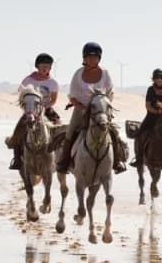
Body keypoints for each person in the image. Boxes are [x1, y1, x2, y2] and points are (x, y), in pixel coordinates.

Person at [55, 42, 128, 174]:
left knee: (114, 133)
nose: (92, 59)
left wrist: (105, 104)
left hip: (101, 111)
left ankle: (117, 162)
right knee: (70, 132)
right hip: (81, 110)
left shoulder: (105, 73)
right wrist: (82, 107)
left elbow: (110, 92)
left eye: (95, 57)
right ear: (84, 58)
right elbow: (72, 96)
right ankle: (64, 161)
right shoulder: (78, 74)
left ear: (99, 58)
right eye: (89, 56)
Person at [6, 52, 62, 171]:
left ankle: (61, 159)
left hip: (46, 110)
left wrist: (43, 107)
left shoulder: (53, 83)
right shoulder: (28, 81)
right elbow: (22, 97)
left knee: (60, 130)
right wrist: (30, 110)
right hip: (30, 111)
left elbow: (53, 100)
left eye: (47, 67)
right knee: (19, 131)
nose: (45, 69)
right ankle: (17, 159)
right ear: (37, 66)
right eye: (42, 66)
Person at [130, 68, 162, 167]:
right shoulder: (150, 89)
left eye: (161, 77)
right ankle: (139, 158)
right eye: (157, 78)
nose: (159, 80)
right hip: (152, 116)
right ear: (154, 79)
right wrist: (156, 112)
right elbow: (147, 105)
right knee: (140, 134)